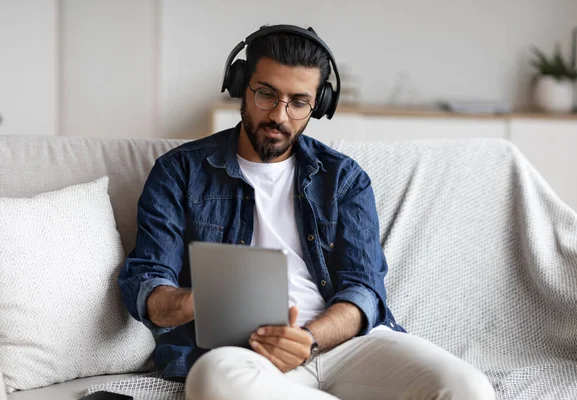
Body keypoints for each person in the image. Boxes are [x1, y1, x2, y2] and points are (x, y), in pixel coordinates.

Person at [118, 24, 495, 400]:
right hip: (243, 354)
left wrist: (309, 339)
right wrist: (192, 302)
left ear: (319, 105)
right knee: (212, 382)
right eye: (266, 94)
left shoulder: (344, 179)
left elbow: (363, 290)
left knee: (469, 389)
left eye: (298, 102)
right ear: (240, 85)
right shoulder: (179, 172)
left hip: (343, 345)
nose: (279, 116)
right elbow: (146, 282)